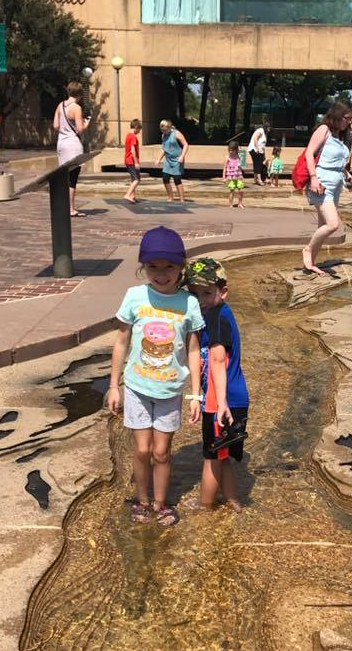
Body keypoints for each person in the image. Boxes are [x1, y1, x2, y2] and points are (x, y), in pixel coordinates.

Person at [106, 226, 204, 527]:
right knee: (142, 449)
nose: (161, 274)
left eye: (169, 267)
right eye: (153, 267)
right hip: (136, 386)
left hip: (170, 389)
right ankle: (142, 500)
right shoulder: (135, 296)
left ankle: (161, 503)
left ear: (181, 267)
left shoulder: (188, 303)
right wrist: (113, 386)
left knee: (161, 452)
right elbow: (121, 341)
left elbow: (192, 349)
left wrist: (194, 394)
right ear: (143, 267)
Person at [184, 257, 249, 512]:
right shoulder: (220, 311)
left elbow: (218, 359)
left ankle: (205, 506)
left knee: (211, 457)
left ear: (223, 292)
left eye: (207, 293)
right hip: (235, 396)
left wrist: (218, 403)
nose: (200, 299)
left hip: (221, 401)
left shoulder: (215, 317)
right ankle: (233, 501)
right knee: (222, 457)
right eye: (194, 293)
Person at [302, 100, 352, 276]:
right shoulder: (324, 130)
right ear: (337, 115)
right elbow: (309, 153)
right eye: (347, 118)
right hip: (321, 183)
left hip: (335, 184)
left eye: (351, 119)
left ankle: (311, 263)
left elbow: (339, 164)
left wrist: (351, 179)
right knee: (332, 224)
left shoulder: (339, 135)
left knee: (324, 226)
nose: (349, 122)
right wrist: (313, 178)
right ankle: (307, 250)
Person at [53, 80, 90, 217]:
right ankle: (71, 208)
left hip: (61, 144)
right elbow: (80, 129)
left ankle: (64, 206)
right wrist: (86, 124)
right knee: (72, 178)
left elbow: (56, 126)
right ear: (79, 94)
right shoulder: (76, 108)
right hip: (73, 145)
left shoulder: (60, 105)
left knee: (64, 177)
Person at [157, 119, 188, 202]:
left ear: (169, 128)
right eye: (161, 130)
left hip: (177, 159)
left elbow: (185, 144)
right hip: (168, 159)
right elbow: (164, 148)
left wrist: (182, 156)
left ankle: (182, 199)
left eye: (164, 130)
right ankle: (170, 197)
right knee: (165, 178)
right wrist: (159, 159)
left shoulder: (176, 133)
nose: (163, 131)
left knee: (177, 179)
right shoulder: (163, 135)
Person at [124, 118, 142, 204]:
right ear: (136, 127)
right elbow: (132, 150)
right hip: (131, 161)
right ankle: (128, 194)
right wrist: (136, 162)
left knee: (133, 179)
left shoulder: (128, 135)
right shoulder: (133, 136)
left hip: (128, 160)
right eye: (139, 129)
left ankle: (132, 196)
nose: (139, 131)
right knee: (137, 179)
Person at [223, 140, 245, 208]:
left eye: (232, 150)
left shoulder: (238, 157)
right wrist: (224, 177)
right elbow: (224, 167)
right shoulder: (227, 158)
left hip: (238, 176)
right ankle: (231, 204)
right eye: (229, 150)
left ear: (236, 150)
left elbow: (240, 167)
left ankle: (240, 203)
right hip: (231, 177)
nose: (230, 151)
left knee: (241, 190)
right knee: (232, 191)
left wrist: (242, 175)